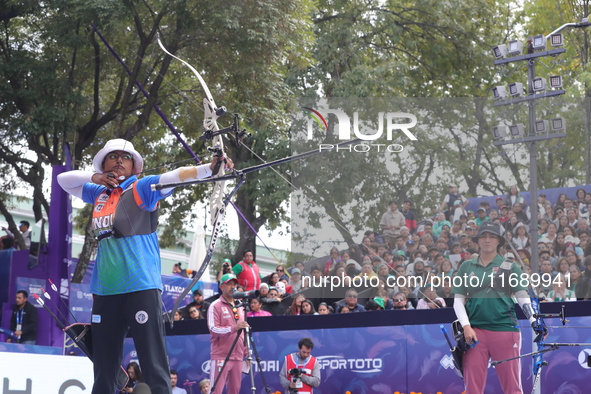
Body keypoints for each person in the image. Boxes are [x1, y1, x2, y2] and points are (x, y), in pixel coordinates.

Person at [57, 138, 233, 394]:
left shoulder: (142, 187)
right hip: (105, 291)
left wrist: (210, 168)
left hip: (140, 287)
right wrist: (95, 178)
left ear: (134, 166)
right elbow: (65, 180)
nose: (118, 161)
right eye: (113, 156)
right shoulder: (98, 193)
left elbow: (177, 176)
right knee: (104, 368)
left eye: (125, 157)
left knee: (152, 364)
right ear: (103, 164)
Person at [452, 221, 539, 394]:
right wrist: (467, 326)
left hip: (505, 329)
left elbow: (522, 295)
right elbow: (457, 301)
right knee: (472, 389)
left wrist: (533, 320)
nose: (487, 240)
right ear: (478, 240)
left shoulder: (510, 266)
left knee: (512, 387)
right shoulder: (466, 266)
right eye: (483, 236)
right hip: (474, 333)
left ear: (498, 241)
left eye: (492, 236)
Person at [207, 273, 248, 394]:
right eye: (229, 284)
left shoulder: (241, 306)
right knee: (216, 391)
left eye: (234, 284)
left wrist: (247, 352)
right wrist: (234, 328)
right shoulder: (215, 305)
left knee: (235, 391)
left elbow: (244, 331)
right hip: (221, 356)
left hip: (238, 357)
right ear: (221, 287)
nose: (232, 287)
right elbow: (213, 329)